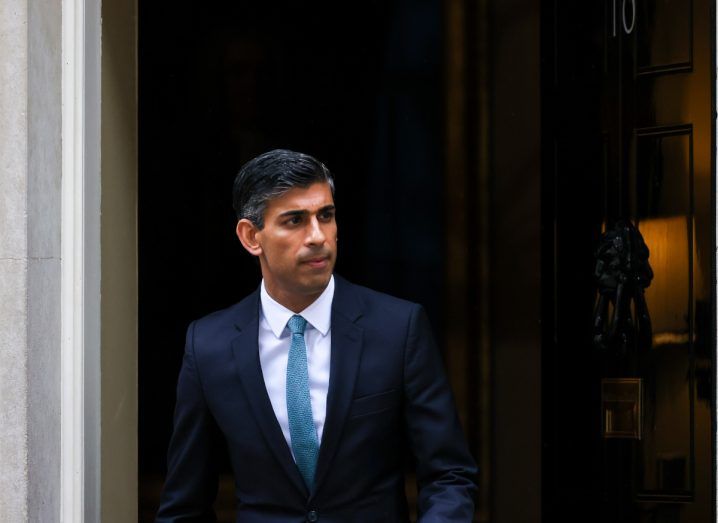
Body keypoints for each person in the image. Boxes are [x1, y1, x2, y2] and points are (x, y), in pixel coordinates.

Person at [156, 149, 477, 522]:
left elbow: (449, 475)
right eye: (294, 221)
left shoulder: (397, 327)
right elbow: (184, 505)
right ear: (250, 237)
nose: (317, 236)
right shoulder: (208, 345)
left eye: (326, 215)